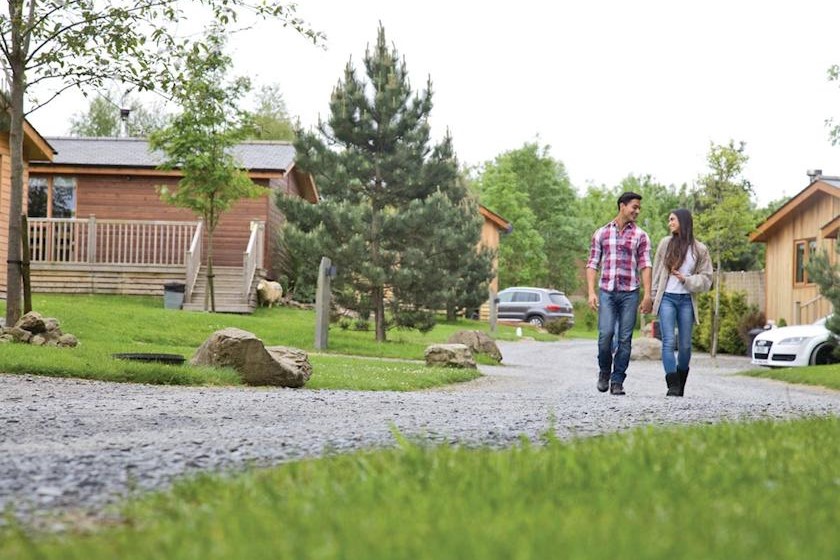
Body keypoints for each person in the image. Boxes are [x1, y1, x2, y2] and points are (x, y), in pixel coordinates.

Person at [586, 191, 653, 396]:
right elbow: (592, 264)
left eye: (639, 208)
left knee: (625, 339)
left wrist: (648, 295)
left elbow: (645, 265)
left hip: (630, 293)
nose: (637, 211)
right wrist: (590, 292)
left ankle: (618, 381)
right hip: (606, 291)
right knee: (605, 335)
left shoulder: (641, 235)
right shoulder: (601, 233)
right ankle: (604, 371)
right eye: (634, 206)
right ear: (622, 206)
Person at [650, 209, 713, 396]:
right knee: (668, 342)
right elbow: (657, 273)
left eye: (672, 219)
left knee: (685, 345)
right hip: (667, 298)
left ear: (683, 222)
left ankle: (680, 382)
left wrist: (687, 279)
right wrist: (652, 298)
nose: (669, 223)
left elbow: (707, 279)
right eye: (668, 219)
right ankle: (672, 385)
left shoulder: (699, 249)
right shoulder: (665, 244)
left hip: (686, 300)